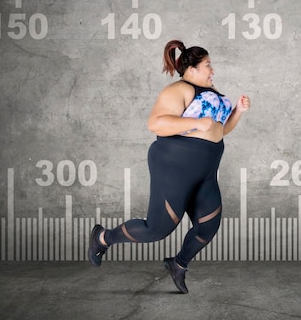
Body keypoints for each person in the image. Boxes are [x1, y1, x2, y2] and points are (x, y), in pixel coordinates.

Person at [88, 39, 250, 294]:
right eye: (208, 65)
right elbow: (157, 123)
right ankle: (101, 238)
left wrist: (238, 112)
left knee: (208, 225)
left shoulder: (211, 92)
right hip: (176, 165)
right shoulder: (179, 90)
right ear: (192, 69)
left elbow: (220, 130)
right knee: (157, 229)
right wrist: (197, 124)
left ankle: (178, 264)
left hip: (206, 169)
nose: (212, 71)